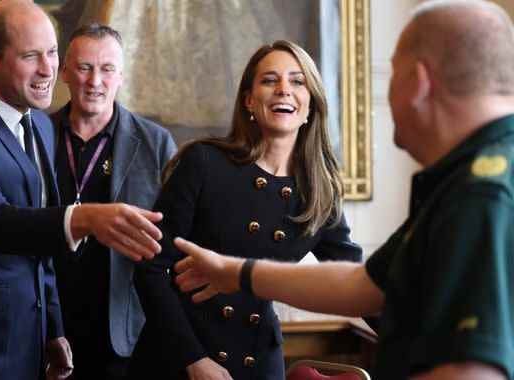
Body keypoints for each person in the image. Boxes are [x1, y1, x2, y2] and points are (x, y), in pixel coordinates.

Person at [172, 1, 514, 379]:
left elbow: (471, 367)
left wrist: (238, 273)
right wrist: (238, 273)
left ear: (417, 82)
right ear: (249, 99)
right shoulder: (461, 182)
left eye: (391, 74)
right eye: (270, 80)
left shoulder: (481, 194)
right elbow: (367, 284)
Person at [0, 2, 164, 380]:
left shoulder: (41, 128)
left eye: (51, 53)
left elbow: (39, 251)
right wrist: (84, 218)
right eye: (32, 56)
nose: (48, 69)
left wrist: (53, 327)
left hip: (30, 348)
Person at [129, 40, 362, 380]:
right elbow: (150, 269)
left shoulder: (319, 192)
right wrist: (195, 360)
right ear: (249, 100)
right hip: (178, 358)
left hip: (257, 360)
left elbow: (355, 283)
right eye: (270, 80)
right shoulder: (203, 163)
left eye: (297, 82)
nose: (284, 89)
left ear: (310, 105)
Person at [50, 23, 177, 380]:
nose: (95, 81)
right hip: (51, 327)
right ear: (64, 72)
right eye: (84, 67)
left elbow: (175, 241)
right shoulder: (38, 137)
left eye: (107, 69)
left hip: (126, 333)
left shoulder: (156, 144)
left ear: (121, 76)